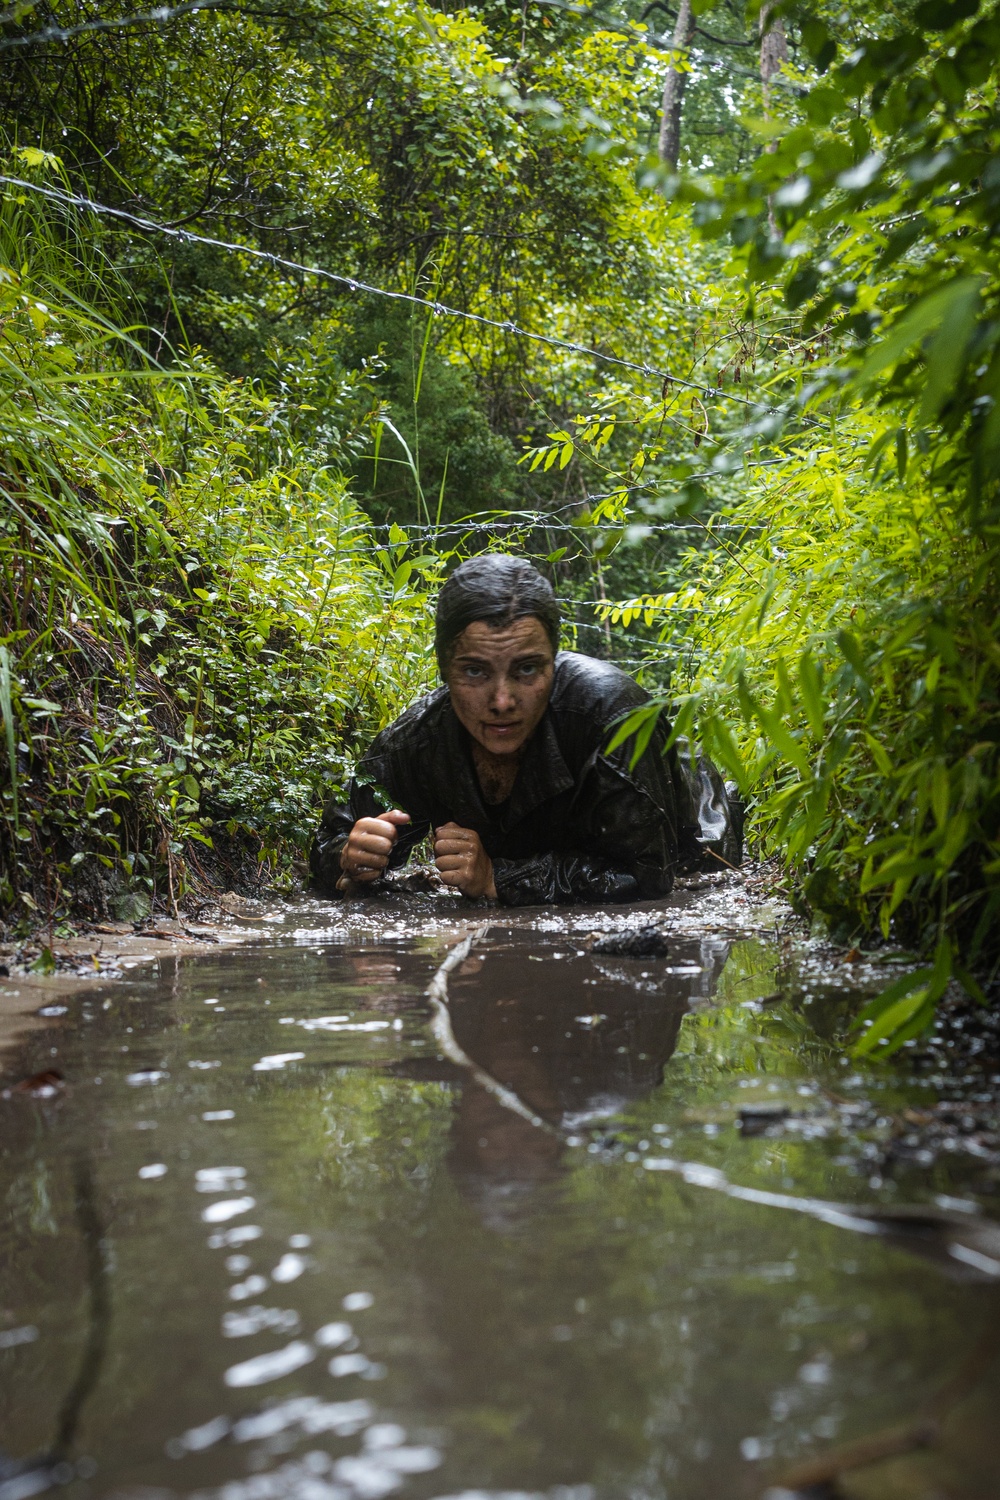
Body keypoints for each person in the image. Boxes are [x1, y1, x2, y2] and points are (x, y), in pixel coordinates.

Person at [310, 555, 742, 906]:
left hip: (692, 831)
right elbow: (331, 845)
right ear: (444, 669)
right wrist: (351, 858)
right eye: (475, 671)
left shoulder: (613, 718)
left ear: (555, 660)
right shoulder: (417, 741)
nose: (501, 701)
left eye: (528, 669)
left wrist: (500, 878)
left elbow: (650, 875)